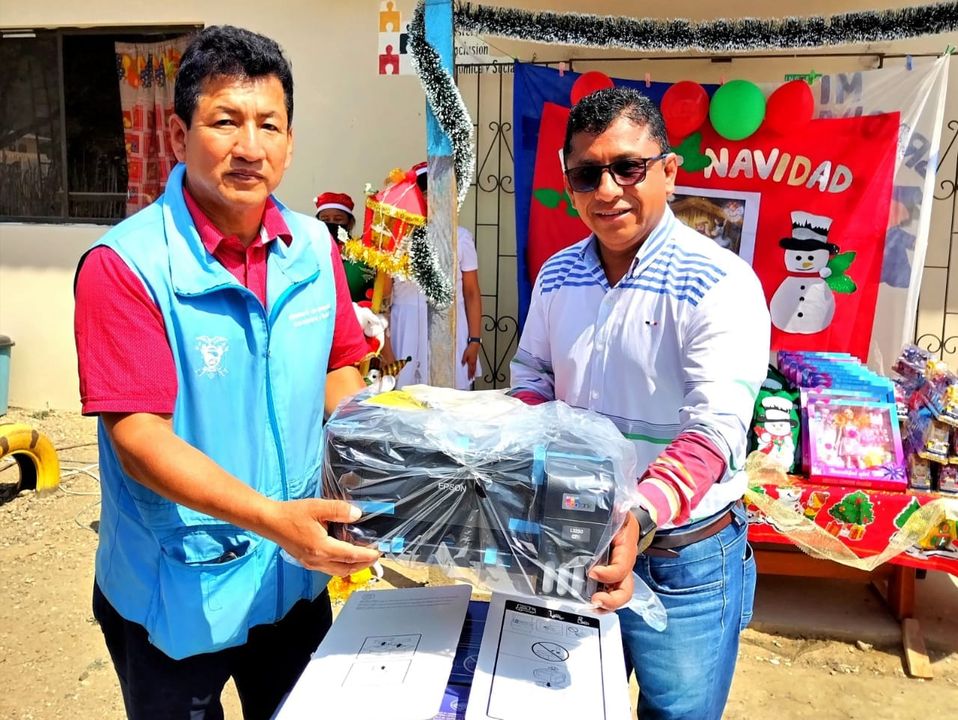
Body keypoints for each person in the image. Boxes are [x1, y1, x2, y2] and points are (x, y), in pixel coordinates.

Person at [73, 26, 380, 720]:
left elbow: (339, 370)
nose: (250, 146)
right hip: (178, 595)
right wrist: (274, 520)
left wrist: (393, 458)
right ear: (179, 134)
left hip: (294, 576)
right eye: (225, 121)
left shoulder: (313, 249)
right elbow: (140, 439)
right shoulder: (126, 266)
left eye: (269, 124)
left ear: (290, 141)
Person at [510, 87, 771, 720]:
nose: (608, 190)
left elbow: (715, 429)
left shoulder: (718, 282)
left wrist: (638, 517)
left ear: (669, 171)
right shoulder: (557, 274)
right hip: (571, 541)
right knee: (562, 708)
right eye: (587, 174)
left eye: (628, 167)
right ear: (569, 183)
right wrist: (514, 449)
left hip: (683, 559)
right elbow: (534, 375)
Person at [380, 162, 483, 390]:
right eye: (425, 193)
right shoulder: (394, 240)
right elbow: (384, 298)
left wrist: (475, 341)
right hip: (404, 331)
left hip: (451, 330)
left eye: (439, 193)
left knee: (450, 399)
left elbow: (471, 292)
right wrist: (386, 350)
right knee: (405, 400)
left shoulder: (461, 238)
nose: (432, 200)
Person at [315, 191, 375, 303]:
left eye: (338, 219)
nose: (331, 223)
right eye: (325, 219)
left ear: (350, 222)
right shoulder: (309, 251)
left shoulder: (364, 254)